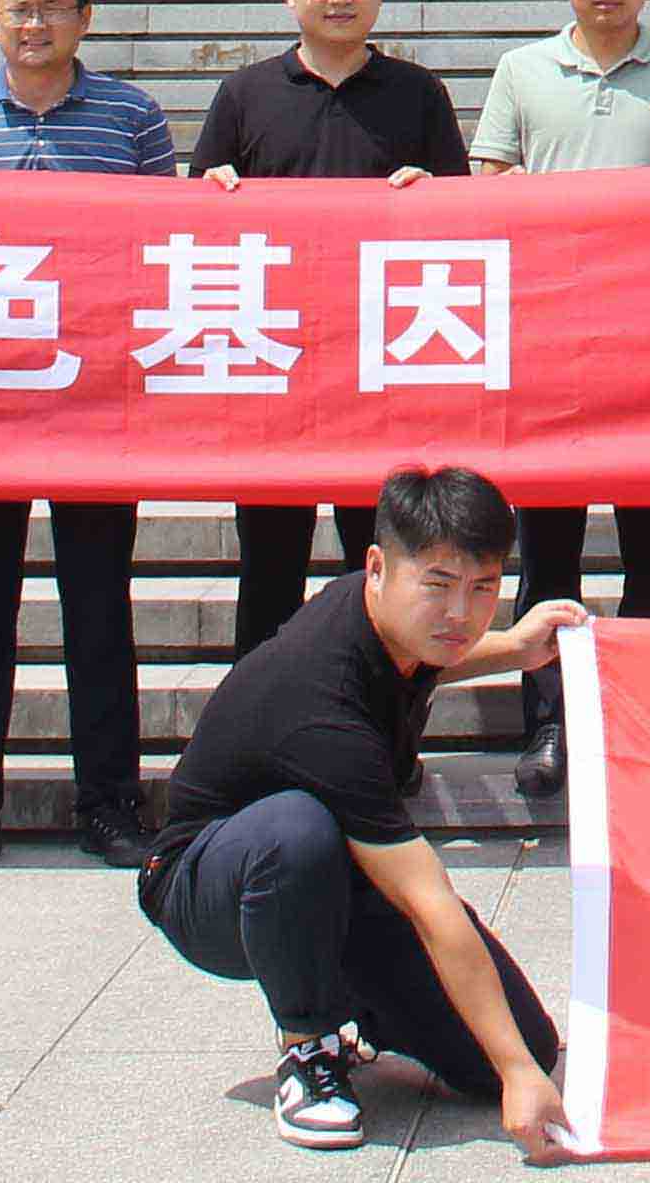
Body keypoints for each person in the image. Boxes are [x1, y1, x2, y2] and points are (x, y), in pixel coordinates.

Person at [142, 465, 578, 1156]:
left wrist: (516, 649)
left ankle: (359, 999)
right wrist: (520, 1077)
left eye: (483, 587)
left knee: (522, 1044)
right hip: (210, 883)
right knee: (297, 831)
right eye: (438, 584)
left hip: (335, 876)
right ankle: (307, 1046)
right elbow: (428, 901)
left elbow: (431, 653)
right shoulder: (321, 709)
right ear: (377, 566)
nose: (460, 613)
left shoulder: (380, 616)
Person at [0, 0, 177, 874]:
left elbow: (164, 251)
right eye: (19, 8)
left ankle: (110, 804)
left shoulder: (134, 120)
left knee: (99, 610)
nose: (35, 24)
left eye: (54, 8)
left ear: (85, 17)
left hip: (95, 408)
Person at [470, 0, 650, 801]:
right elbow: (489, 181)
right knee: (549, 551)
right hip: (552, 348)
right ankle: (550, 727)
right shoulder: (522, 70)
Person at [191, 0, 468, 656]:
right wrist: (214, 193)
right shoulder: (245, 94)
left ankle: (378, 717)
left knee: (380, 565)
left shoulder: (418, 93)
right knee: (269, 565)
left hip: (382, 367)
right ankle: (257, 715)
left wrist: (433, 194)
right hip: (274, 363)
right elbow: (194, 222)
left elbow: (465, 220)